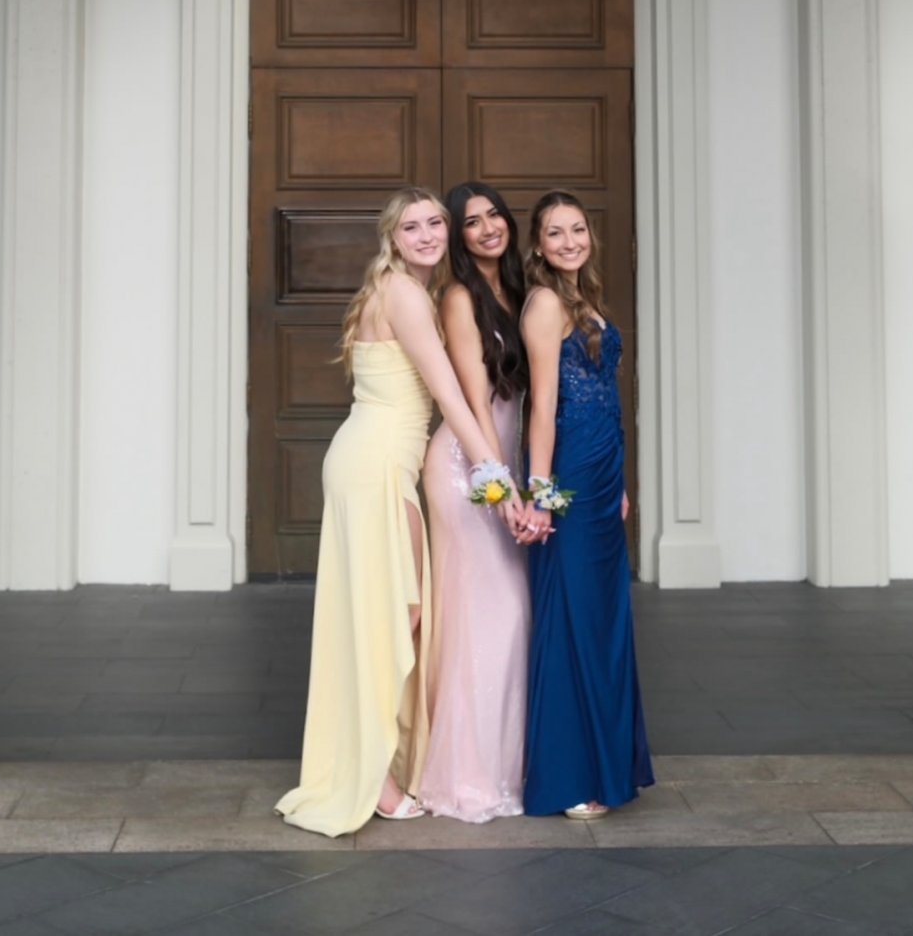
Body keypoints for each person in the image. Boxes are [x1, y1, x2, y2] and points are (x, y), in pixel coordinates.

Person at [275, 186, 516, 838]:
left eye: (436, 223)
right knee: (394, 617)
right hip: (376, 467)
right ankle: (374, 780)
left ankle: (377, 763)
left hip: (375, 463)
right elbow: (449, 394)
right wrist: (496, 482)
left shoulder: (403, 289)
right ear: (392, 236)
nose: (428, 234)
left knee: (388, 617)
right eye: (412, 227)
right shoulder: (405, 294)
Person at [520, 189, 655, 819]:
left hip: (602, 476)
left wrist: (619, 483)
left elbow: (605, 396)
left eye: (577, 229)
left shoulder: (584, 299)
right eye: (555, 233)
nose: (570, 241)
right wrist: (542, 493)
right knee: (573, 616)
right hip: (569, 474)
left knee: (603, 619)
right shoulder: (546, 303)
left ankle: (608, 765)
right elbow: (543, 406)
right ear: (538, 244)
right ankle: (570, 776)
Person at [418, 182, 531, 823]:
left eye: (494, 215)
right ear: (458, 239)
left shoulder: (519, 289)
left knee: (509, 619)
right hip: (468, 473)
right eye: (471, 222)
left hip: (502, 469)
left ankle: (508, 767)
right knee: (488, 617)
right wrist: (500, 486)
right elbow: (473, 400)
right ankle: (468, 777)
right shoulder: (460, 298)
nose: (488, 227)